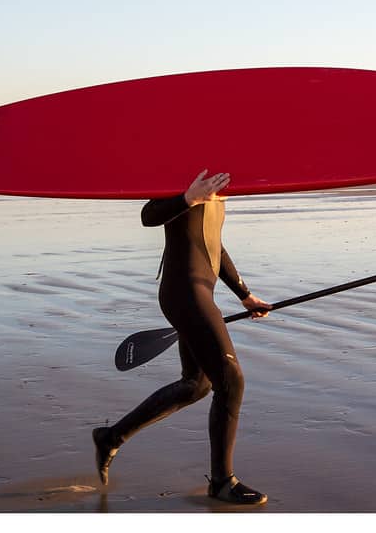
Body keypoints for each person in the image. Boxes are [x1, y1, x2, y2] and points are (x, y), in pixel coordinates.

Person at [92, 169, 272, 505]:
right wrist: (189, 197)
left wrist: (244, 295)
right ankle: (221, 482)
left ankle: (110, 437)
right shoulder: (186, 175)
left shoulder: (218, 184)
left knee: (197, 384)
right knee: (230, 380)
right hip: (184, 294)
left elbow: (212, 243)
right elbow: (149, 215)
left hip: (199, 292)